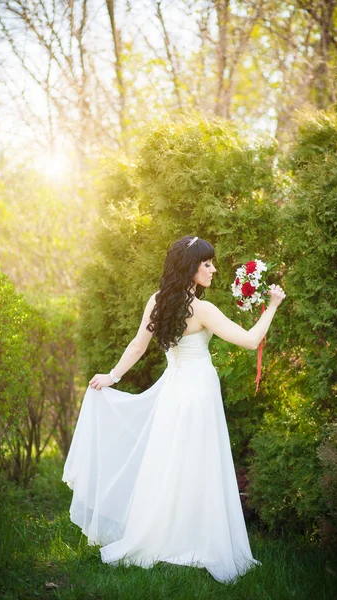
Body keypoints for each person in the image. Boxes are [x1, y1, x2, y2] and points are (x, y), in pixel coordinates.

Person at [62, 235, 286, 585]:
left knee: (171, 465)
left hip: (173, 391)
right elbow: (250, 341)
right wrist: (272, 305)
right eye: (207, 263)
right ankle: (195, 539)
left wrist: (113, 375)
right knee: (199, 463)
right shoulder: (203, 310)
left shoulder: (158, 301)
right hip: (197, 392)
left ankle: (167, 535)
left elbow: (138, 346)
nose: (213, 269)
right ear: (190, 267)